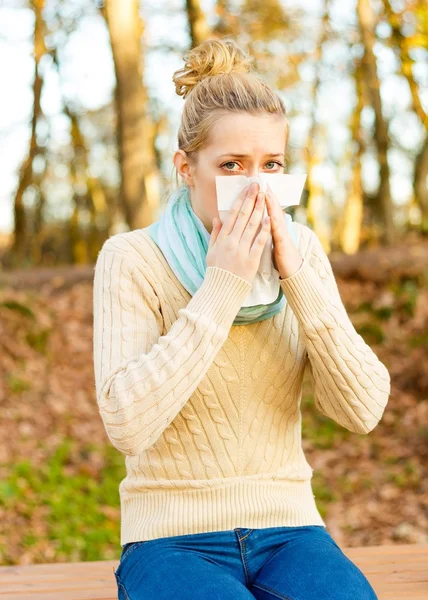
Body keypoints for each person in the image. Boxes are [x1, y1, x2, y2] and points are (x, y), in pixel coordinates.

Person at [92, 37, 390, 600]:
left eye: (271, 165)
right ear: (186, 167)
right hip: (169, 539)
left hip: (291, 531)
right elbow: (126, 424)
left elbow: (363, 410)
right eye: (232, 165)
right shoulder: (132, 258)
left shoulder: (301, 251)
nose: (256, 186)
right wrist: (222, 283)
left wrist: (299, 279)